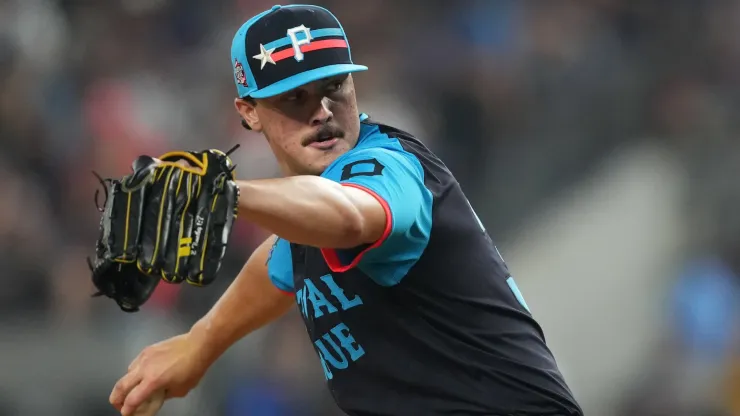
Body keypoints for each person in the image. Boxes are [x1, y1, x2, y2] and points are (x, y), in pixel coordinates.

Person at [109, 4, 583, 416]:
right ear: (248, 111)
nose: (321, 111)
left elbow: (351, 217)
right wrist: (200, 343)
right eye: (294, 96)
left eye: (333, 87)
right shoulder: (307, 213)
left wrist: (225, 193)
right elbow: (280, 261)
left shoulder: (388, 166)